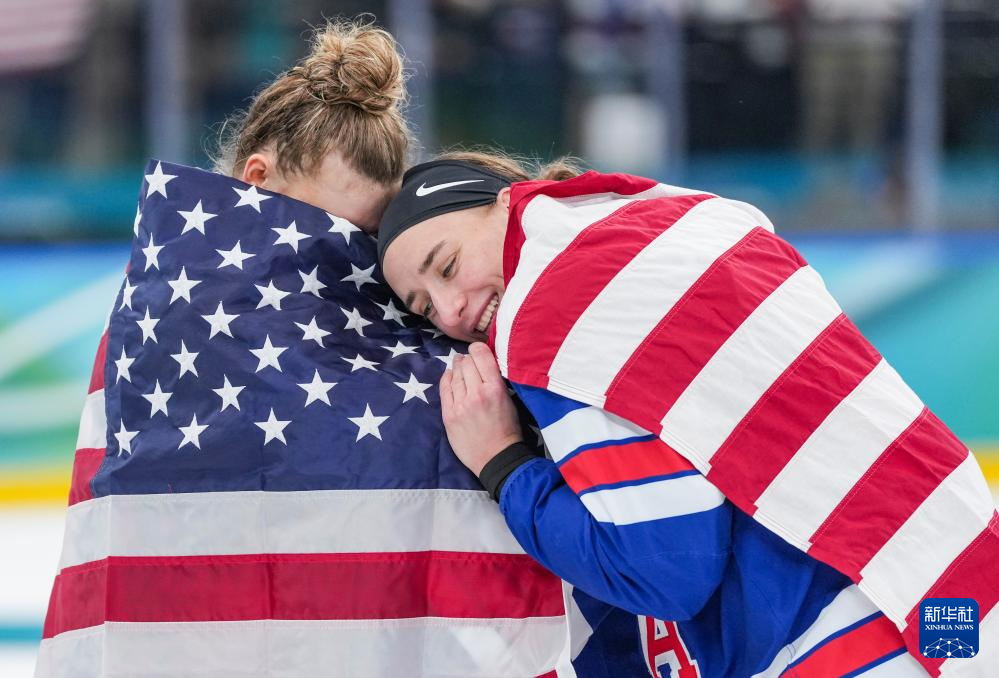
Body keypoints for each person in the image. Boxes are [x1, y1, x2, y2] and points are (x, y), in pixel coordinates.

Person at [36, 21, 657, 678]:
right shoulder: (172, 313)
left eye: (362, 244)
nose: (342, 267)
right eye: (322, 235)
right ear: (257, 179)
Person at [378, 150, 998, 677]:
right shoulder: (681, 217)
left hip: (856, 638)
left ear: (505, 203)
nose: (451, 310)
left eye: (448, 266)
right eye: (425, 306)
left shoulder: (547, 319)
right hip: (956, 577)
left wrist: (504, 466)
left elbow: (665, 569)